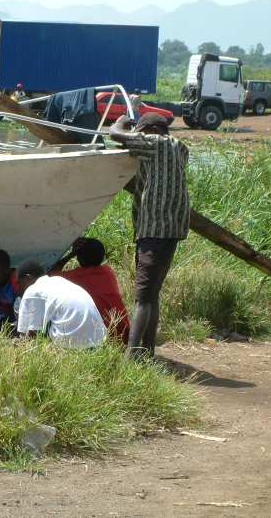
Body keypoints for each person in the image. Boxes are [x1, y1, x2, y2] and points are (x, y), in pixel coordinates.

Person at [109, 112, 189, 360]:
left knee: (142, 299)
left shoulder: (156, 143)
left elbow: (114, 135)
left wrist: (122, 121)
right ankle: (148, 352)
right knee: (152, 295)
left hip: (154, 230)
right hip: (172, 231)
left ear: (151, 132)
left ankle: (131, 358)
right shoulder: (180, 149)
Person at [49, 238, 130, 345]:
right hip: (120, 336)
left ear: (80, 259)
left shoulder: (76, 276)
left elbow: (51, 275)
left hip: (98, 339)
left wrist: (70, 255)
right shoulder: (108, 272)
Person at [15, 259, 106, 348]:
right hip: (98, 342)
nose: (17, 288)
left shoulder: (32, 291)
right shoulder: (59, 280)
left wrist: (4, 342)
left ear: (28, 278)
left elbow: (29, 339)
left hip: (72, 345)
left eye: (18, 283)